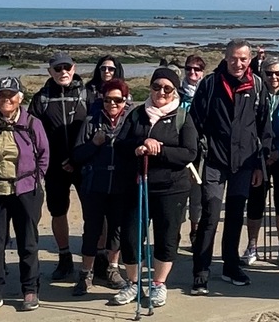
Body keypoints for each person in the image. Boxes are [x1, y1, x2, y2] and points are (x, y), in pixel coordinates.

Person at [110, 68, 199, 307]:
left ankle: (158, 284)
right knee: (130, 236)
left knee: (166, 236)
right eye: (157, 87)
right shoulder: (137, 114)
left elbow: (190, 152)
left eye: (167, 88)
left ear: (174, 91)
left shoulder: (182, 116)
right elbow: (120, 145)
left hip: (172, 187)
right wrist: (139, 144)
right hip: (136, 185)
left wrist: (158, 149)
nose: (161, 92)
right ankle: (133, 283)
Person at [188, 39, 271, 294]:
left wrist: (260, 165)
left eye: (243, 59)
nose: (238, 63)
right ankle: (201, 271)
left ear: (250, 60)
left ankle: (230, 266)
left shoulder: (257, 85)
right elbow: (194, 122)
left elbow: (263, 128)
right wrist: (192, 157)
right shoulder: (210, 84)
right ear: (225, 58)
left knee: (235, 216)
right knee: (211, 215)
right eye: (234, 58)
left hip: (244, 164)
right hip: (214, 161)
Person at [0, 77, 50, 315]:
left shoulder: (33, 124)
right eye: (1, 94)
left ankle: (30, 290)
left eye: (11, 95)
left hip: (26, 192)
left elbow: (44, 156)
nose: (6, 99)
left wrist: (34, 180)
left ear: (20, 98)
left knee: (29, 243)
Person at [29, 51, 92, 282]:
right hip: (55, 167)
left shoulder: (88, 94)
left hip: (84, 164)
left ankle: (97, 258)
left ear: (74, 68)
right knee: (58, 212)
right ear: (50, 72)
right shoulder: (41, 98)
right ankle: (64, 257)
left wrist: (80, 158)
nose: (63, 72)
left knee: (94, 213)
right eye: (58, 68)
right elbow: (32, 133)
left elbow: (98, 127)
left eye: (67, 67)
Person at [70, 79, 131, 296]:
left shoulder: (131, 121)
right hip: (95, 185)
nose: (112, 104)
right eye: (107, 99)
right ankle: (85, 274)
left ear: (126, 100)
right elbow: (77, 155)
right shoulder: (90, 121)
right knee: (92, 230)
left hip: (121, 186)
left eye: (117, 100)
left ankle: (113, 270)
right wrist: (94, 144)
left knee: (116, 229)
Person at [242, 55, 279, 267]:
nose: (274, 77)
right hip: (257, 156)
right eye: (269, 73)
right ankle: (252, 245)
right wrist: (263, 152)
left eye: (278, 73)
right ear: (262, 74)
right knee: (255, 202)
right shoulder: (255, 94)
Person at [179, 54, 207, 243]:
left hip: (200, 149)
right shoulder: (176, 92)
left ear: (202, 72)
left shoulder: (207, 93)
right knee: (179, 193)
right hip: (179, 148)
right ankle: (175, 230)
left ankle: (195, 230)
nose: (192, 72)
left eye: (197, 69)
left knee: (197, 193)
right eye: (189, 68)